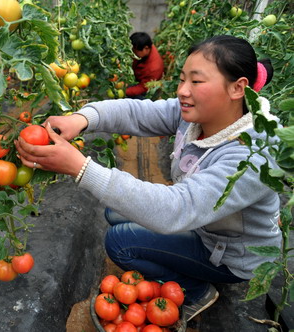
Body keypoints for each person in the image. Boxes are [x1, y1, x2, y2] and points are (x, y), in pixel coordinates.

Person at [15, 35, 280, 321]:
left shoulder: (253, 153)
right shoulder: (197, 114)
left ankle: (196, 290)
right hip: (205, 226)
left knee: (119, 242)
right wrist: (82, 119)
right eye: (182, 79)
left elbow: (176, 209)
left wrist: (81, 168)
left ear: (237, 88)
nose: (182, 91)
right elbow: (137, 111)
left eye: (196, 81)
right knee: (114, 211)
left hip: (229, 256)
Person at [125, 32, 164, 98]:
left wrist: (124, 91)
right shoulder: (146, 49)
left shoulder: (153, 68)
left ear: (146, 48)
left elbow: (143, 88)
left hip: (147, 89)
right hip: (139, 78)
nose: (132, 53)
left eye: (134, 51)